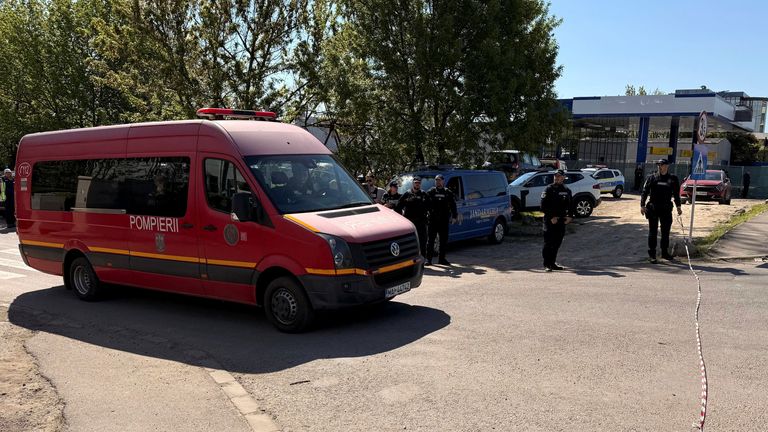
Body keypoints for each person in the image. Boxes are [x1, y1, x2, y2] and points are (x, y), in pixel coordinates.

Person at [640, 159, 682, 263]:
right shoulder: (652, 177)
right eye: (658, 164)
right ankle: (652, 255)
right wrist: (642, 205)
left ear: (667, 166)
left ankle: (664, 253)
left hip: (666, 208)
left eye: (662, 165)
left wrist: (678, 206)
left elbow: (676, 194)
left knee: (665, 232)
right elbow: (645, 192)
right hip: (653, 208)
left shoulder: (673, 179)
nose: (659, 166)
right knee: (653, 232)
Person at [540, 169, 573, 271]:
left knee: (557, 243)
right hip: (550, 220)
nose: (556, 177)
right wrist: (551, 217)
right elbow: (542, 206)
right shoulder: (548, 189)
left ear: (563, 178)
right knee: (548, 243)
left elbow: (570, 205)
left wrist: (570, 216)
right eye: (555, 176)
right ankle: (546, 264)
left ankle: (553, 263)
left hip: (561, 220)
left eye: (559, 176)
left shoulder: (567, 190)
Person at [426, 174, 458, 265]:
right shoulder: (431, 191)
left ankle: (442, 259)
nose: (437, 181)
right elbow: (425, 202)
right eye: (436, 180)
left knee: (443, 241)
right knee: (431, 241)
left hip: (443, 220)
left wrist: (454, 216)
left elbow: (453, 205)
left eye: (439, 180)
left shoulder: (447, 192)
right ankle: (429, 260)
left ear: (443, 181)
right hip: (433, 220)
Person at [395, 176, 430, 258]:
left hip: (421, 222)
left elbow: (430, 206)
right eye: (416, 183)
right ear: (412, 183)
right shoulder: (407, 194)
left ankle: (422, 258)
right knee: (409, 241)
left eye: (419, 183)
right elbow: (398, 207)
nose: (417, 184)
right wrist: (401, 219)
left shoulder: (424, 194)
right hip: (410, 222)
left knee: (422, 241)